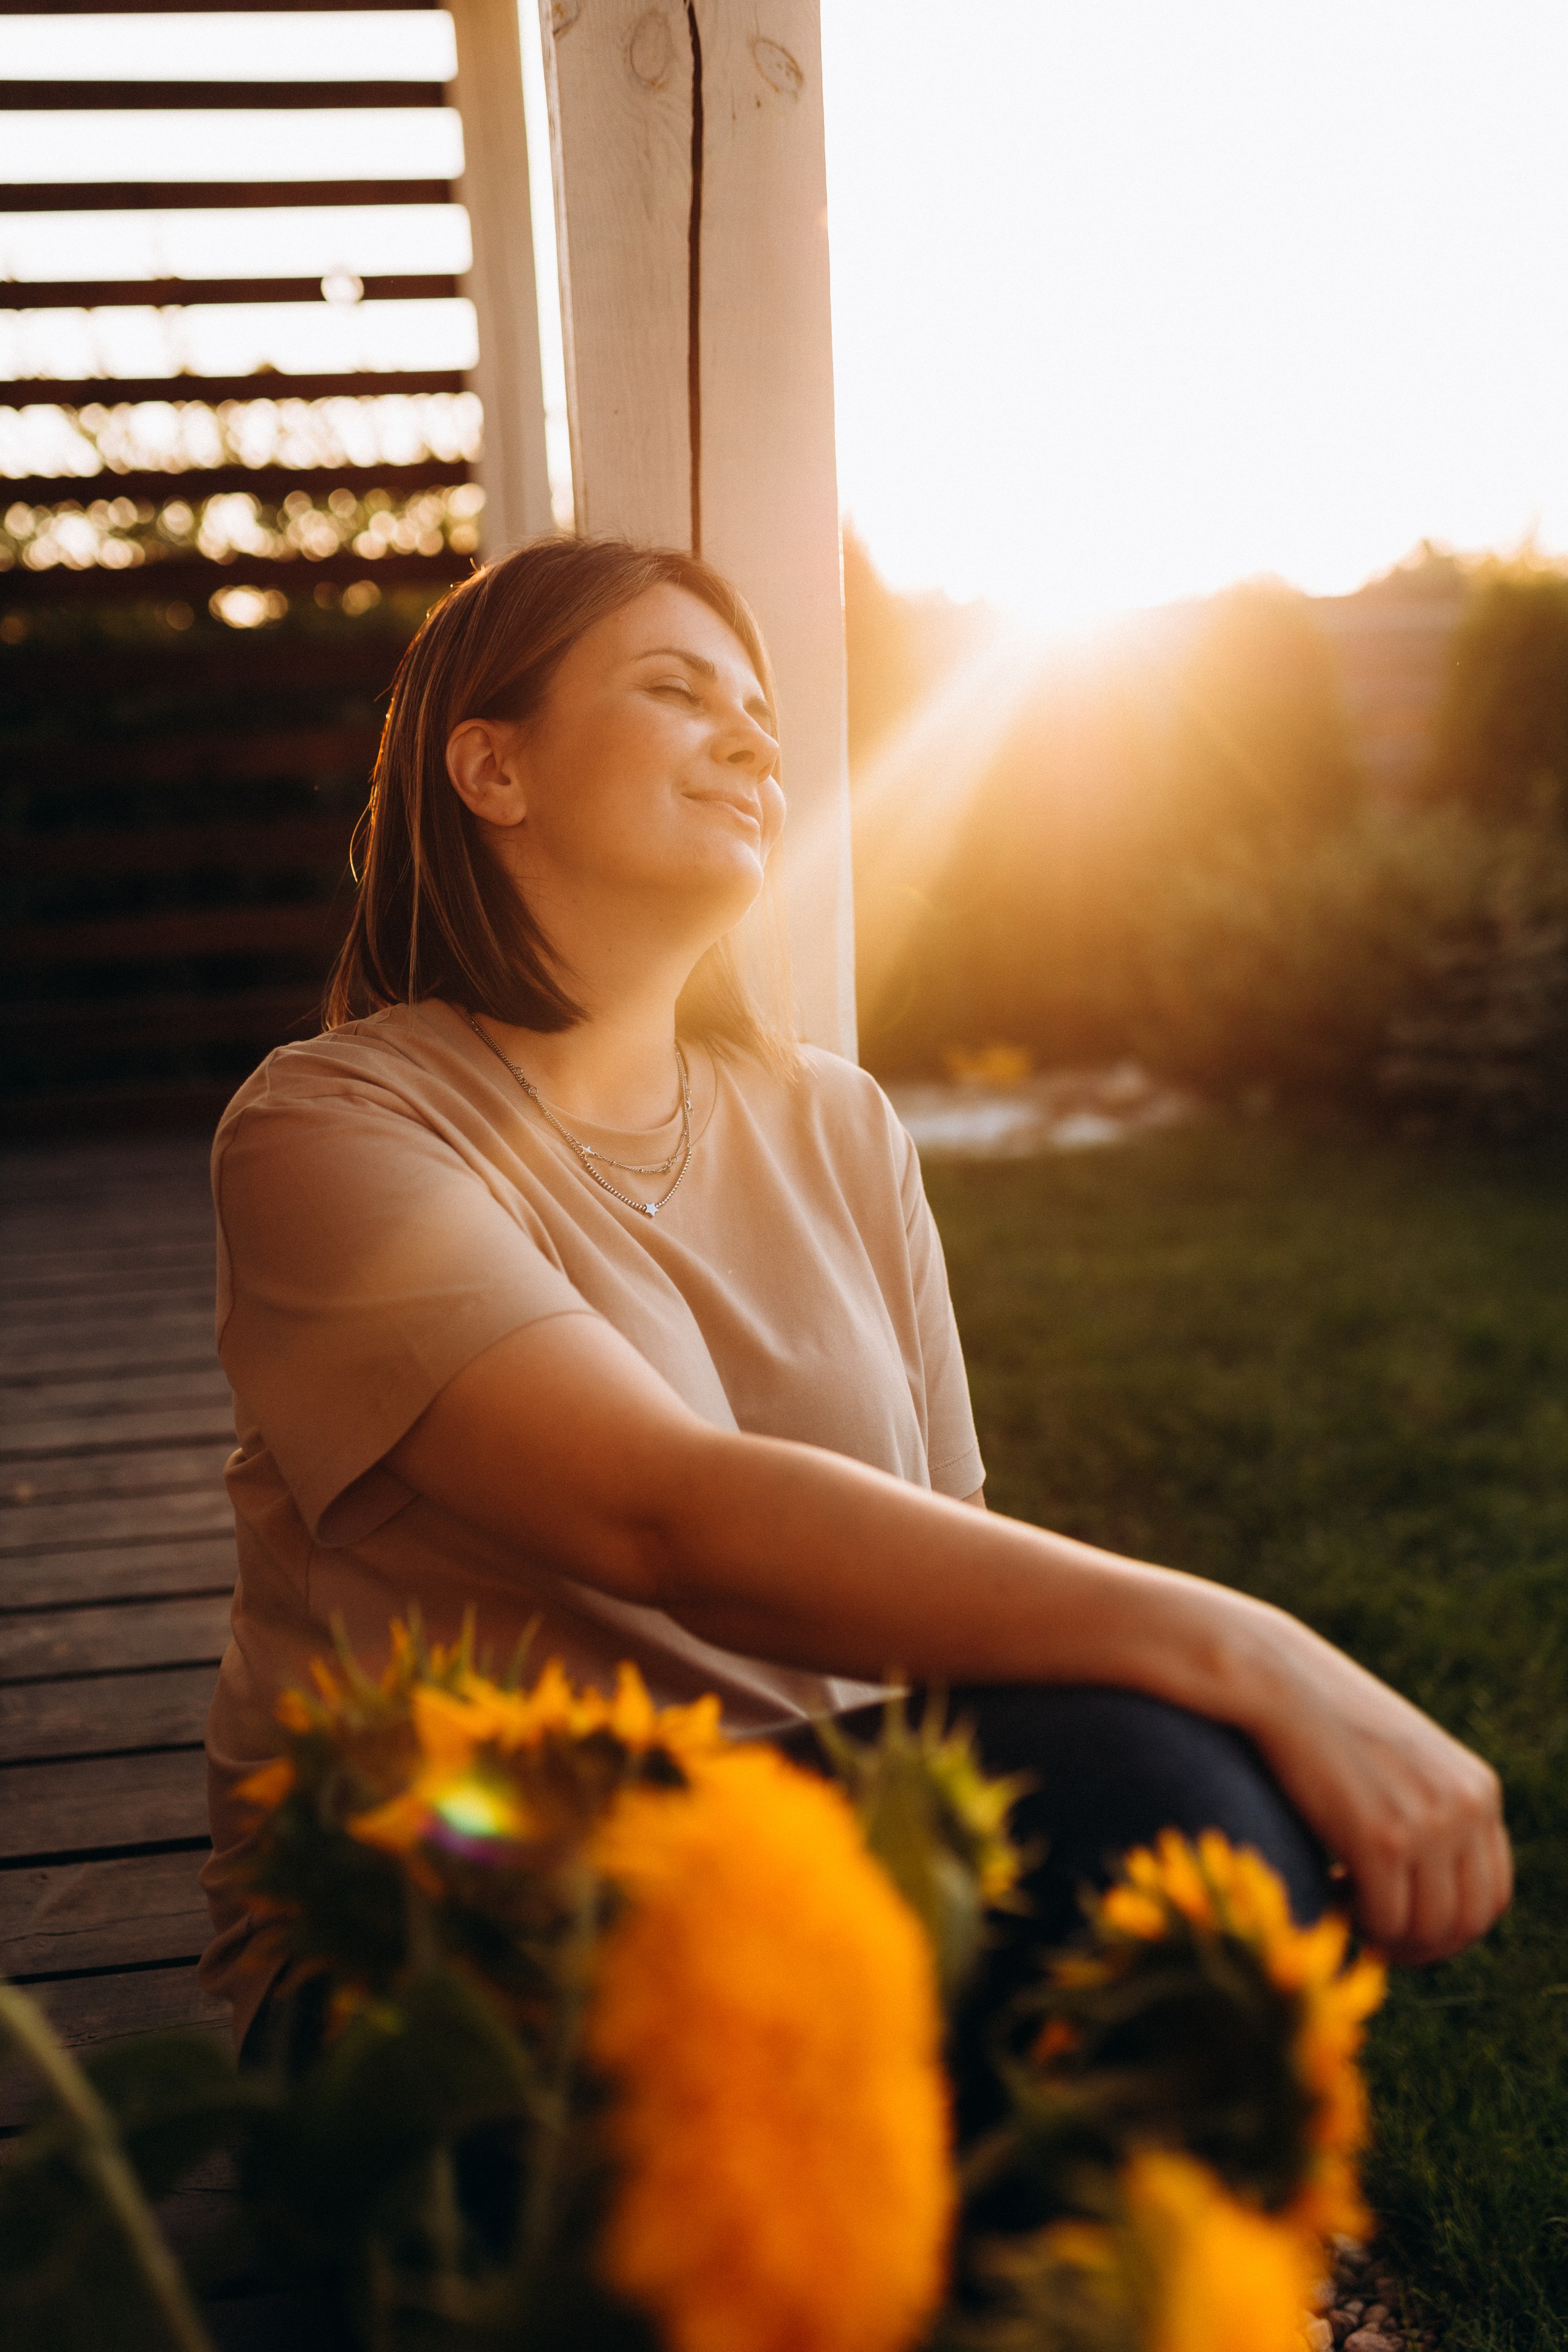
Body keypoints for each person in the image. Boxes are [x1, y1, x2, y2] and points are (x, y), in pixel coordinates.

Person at [200, 536, 1510, 2063]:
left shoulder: (833, 1120)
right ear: (490, 769)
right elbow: (654, 1515)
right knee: (1167, 1788)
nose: (753, 738)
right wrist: (1253, 1651)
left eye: (755, 707)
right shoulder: (333, 1129)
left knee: (1199, 1835)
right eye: (677, 692)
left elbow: (939, 1554)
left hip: (807, 1850)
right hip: (448, 1936)